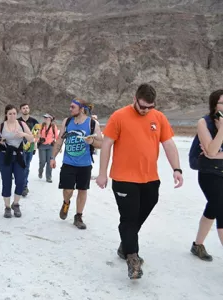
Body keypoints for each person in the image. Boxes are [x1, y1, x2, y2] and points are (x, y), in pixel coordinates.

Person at [95, 83, 183, 279]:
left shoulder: (158, 117)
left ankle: (125, 244)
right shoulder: (119, 116)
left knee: (138, 215)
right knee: (129, 218)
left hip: (150, 179)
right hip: (123, 178)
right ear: (134, 99)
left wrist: (177, 168)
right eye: (142, 106)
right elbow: (107, 144)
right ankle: (132, 258)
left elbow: (168, 143)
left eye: (149, 107)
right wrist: (102, 173)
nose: (145, 110)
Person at [50, 98, 102, 230]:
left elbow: (101, 144)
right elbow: (59, 141)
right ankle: (66, 203)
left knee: (82, 190)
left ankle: (78, 216)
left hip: (85, 164)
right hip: (68, 162)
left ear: (81, 109)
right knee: (67, 190)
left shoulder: (92, 123)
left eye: (72, 107)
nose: (70, 109)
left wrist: (91, 142)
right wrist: (52, 157)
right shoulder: (67, 122)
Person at [191, 89, 223, 261]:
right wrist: (222, 130)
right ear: (214, 105)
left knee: (213, 208)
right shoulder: (204, 122)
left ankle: (197, 245)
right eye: (222, 103)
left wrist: (215, 154)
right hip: (209, 174)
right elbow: (210, 150)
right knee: (220, 208)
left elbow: (212, 152)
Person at [0, 105, 34, 218]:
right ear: (6, 114)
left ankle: (16, 204)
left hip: (19, 156)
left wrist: (24, 134)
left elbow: (32, 138)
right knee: (6, 182)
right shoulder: (1, 126)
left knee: (20, 181)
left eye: (14, 113)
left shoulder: (22, 124)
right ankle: (7, 207)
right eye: (10, 113)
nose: (12, 116)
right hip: (5, 156)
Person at [18, 103, 39, 196]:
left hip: (30, 148)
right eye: (23, 108)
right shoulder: (17, 121)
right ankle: (22, 185)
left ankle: (24, 186)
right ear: (20, 110)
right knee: (20, 167)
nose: (25, 109)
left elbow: (37, 136)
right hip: (19, 148)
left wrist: (35, 147)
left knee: (26, 166)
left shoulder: (35, 122)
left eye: (27, 108)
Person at [38, 113, 58, 183]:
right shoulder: (41, 126)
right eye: (45, 118)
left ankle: (48, 177)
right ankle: (40, 171)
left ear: (50, 119)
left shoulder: (53, 126)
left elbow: (57, 137)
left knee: (50, 162)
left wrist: (58, 147)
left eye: (47, 118)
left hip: (50, 146)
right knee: (42, 161)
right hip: (42, 146)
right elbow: (37, 134)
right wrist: (39, 138)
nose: (46, 119)